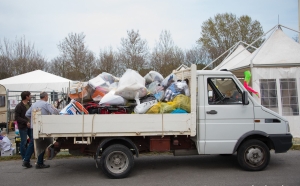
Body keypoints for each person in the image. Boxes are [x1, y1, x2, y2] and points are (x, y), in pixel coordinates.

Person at [22, 92, 59, 169]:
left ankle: (26, 160)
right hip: (42, 127)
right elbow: (54, 112)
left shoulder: (34, 104)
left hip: (34, 126)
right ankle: (39, 163)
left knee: (32, 143)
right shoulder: (46, 104)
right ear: (45, 97)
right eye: (47, 96)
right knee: (42, 143)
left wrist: (33, 119)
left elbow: (27, 114)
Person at [15, 91, 31, 160]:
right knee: (23, 142)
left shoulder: (30, 105)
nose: (30, 97)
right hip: (23, 126)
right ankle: (24, 157)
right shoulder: (19, 106)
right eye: (29, 95)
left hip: (30, 126)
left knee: (33, 140)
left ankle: (29, 155)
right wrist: (25, 122)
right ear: (26, 97)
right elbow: (17, 117)